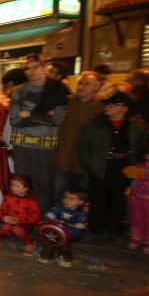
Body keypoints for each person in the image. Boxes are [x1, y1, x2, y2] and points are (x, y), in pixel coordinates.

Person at [78, 91, 147, 242]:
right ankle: (97, 229)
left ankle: (114, 228)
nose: (108, 107)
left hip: (124, 166)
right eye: (107, 104)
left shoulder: (136, 125)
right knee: (98, 197)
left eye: (112, 105)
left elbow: (142, 147)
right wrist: (89, 164)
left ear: (124, 108)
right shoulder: (95, 124)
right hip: (100, 165)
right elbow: (84, 146)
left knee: (118, 198)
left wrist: (137, 166)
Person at [10, 53, 70, 211]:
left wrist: (30, 114)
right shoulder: (20, 91)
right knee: (21, 184)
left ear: (43, 67)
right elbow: (15, 120)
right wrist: (45, 116)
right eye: (27, 68)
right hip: (22, 147)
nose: (31, 71)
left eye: (35, 67)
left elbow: (58, 119)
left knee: (44, 186)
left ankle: (41, 218)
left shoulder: (57, 89)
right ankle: (23, 216)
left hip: (45, 147)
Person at [53, 71, 104, 202]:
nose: (81, 87)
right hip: (63, 159)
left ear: (97, 86)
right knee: (59, 195)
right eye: (80, 83)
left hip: (85, 163)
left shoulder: (101, 106)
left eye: (87, 84)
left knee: (82, 197)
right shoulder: (67, 102)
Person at [38, 187, 88, 267]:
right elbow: (49, 215)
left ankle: (65, 258)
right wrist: (46, 221)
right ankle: (46, 256)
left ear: (81, 202)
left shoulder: (80, 215)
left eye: (71, 199)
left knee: (64, 247)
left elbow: (79, 229)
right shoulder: (59, 208)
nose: (67, 200)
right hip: (53, 232)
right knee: (48, 244)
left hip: (67, 235)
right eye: (66, 197)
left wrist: (69, 235)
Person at [0, 175, 40, 256]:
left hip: (25, 225)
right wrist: (5, 218)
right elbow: (0, 212)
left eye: (17, 186)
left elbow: (35, 218)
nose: (13, 188)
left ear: (26, 188)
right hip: (9, 222)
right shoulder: (7, 198)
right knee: (5, 227)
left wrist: (20, 220)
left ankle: (30, 244)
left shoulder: (32, 202)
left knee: (17, 229)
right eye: (12, 185)